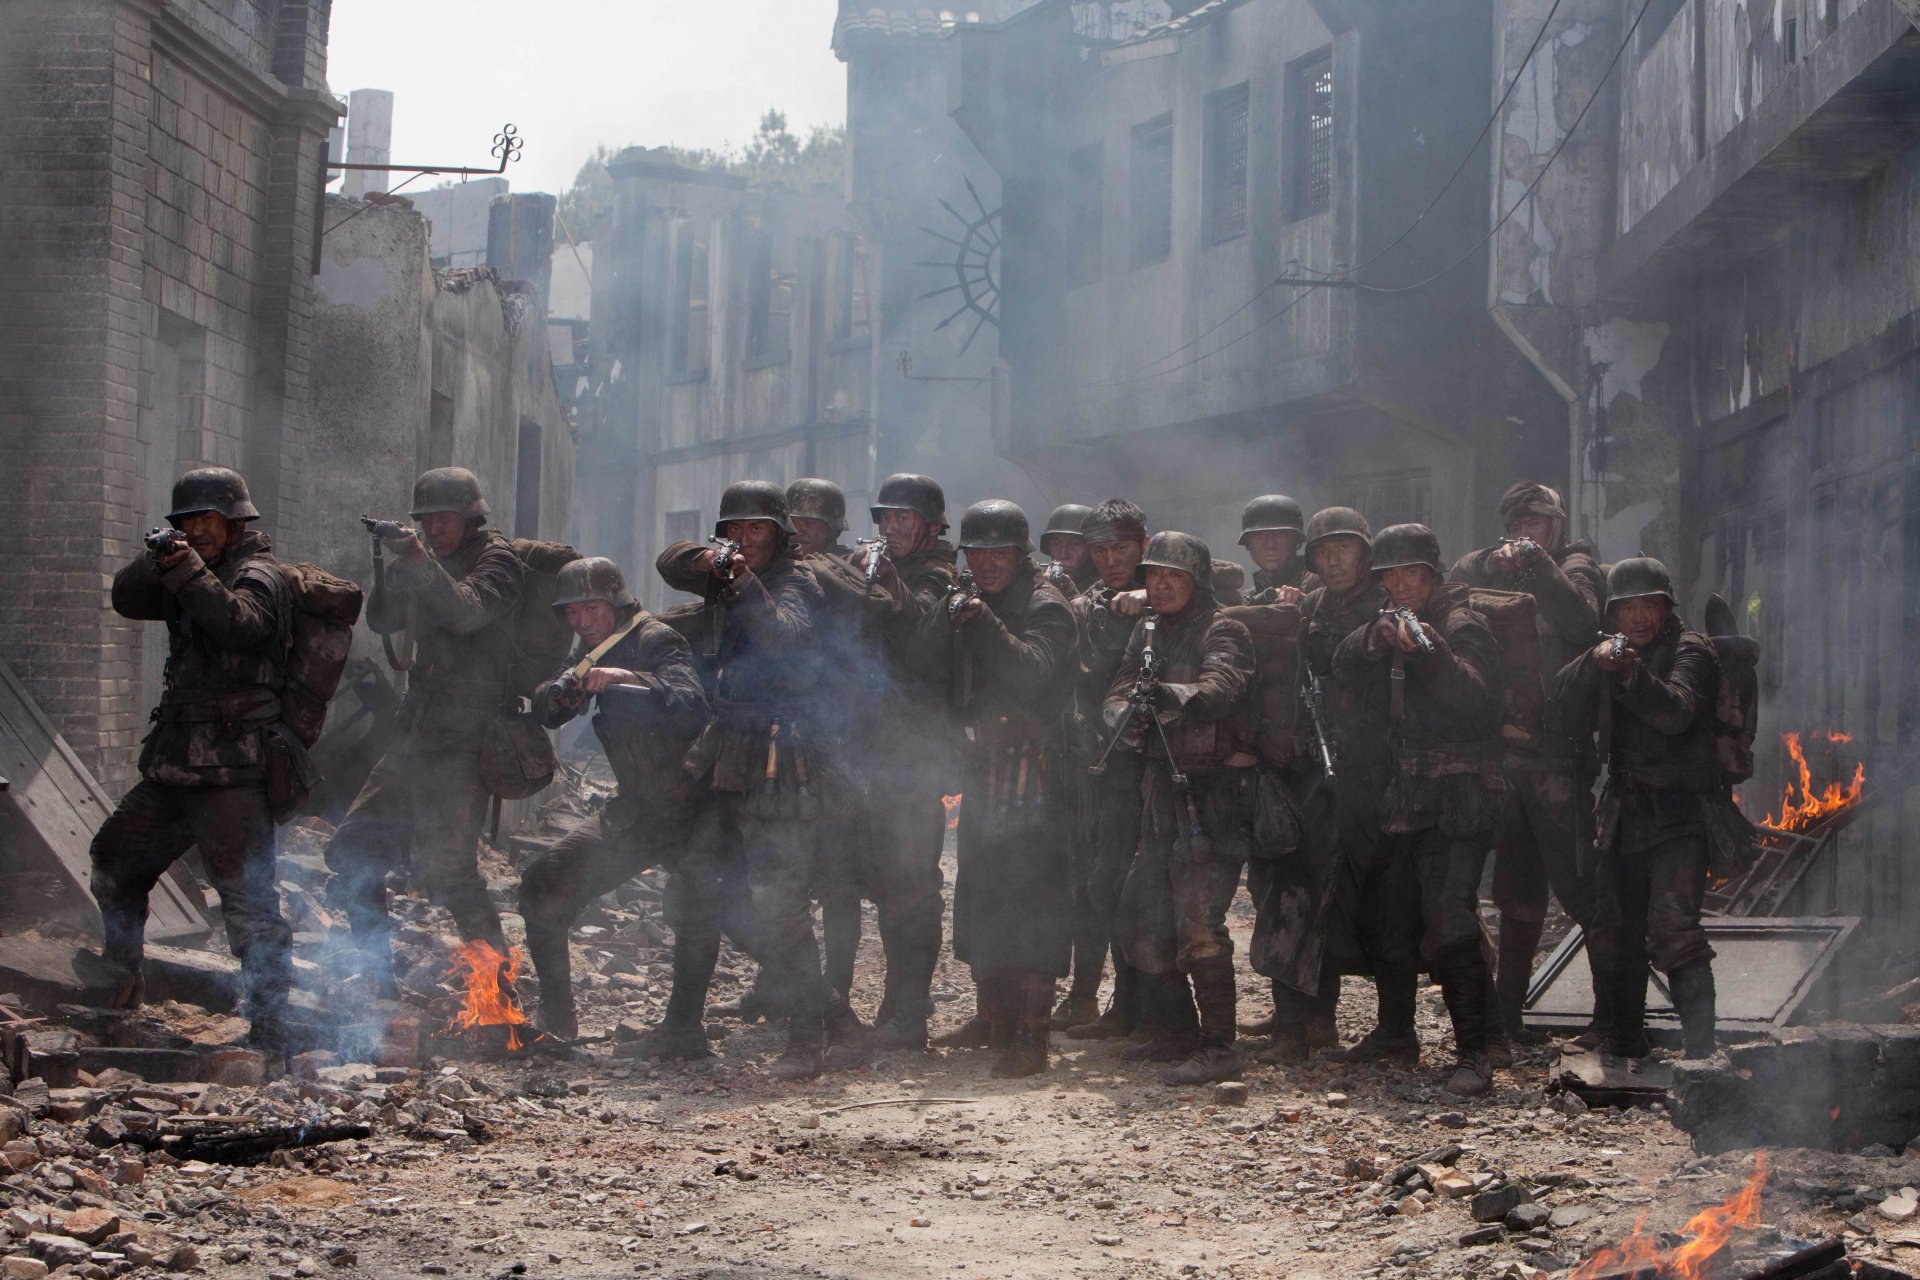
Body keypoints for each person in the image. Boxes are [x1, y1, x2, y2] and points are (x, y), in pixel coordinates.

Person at [90, 467, 299, 1063]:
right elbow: (127, 600)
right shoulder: (187, 568)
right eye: (186, 522)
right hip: (177, 764)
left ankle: (271, 1033)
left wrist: (185, 570)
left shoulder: (262, 575)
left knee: (249, 904)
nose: (195, 531)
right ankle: (120, 982)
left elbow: (242, 627)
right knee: (115, 861)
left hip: (234, 769)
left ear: (234, 521)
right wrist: (157, 556)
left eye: (205, 521)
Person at [656, 481, 838, 1080]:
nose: (744, 540)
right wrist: (712, 560)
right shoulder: (724, 567)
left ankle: (809, 1038)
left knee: (782, 902)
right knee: (695, 884)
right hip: (725, 747)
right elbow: (669, 562)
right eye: (734, 530)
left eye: (756, 530)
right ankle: (682, 1027)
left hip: (780, 755)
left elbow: (783, 635)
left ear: (779, 534)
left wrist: (742, 580)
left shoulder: (799, 581)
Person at [326, 468, 525, 993]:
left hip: (468, 734)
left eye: (444, 520)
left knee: (452, 874)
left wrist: (420, 561)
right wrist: (395, 564)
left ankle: (498, 1002)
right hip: (417, 728)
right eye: (426, 522)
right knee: (352, 850)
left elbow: (468, 614)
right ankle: (376, 981)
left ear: (470, 516)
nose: (434, 530)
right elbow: (383, 622)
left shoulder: (498, 560)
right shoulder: (427, 557)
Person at [1333, 524, 1505, 1096]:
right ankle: (1395, 1033)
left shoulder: (1463, 625)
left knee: (1450, 918)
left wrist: (1431, 652)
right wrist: (1372, 637)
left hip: (1459, 791)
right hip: (1405, 791)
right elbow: (1340, 665)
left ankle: (1476, 1053)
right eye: (1390, 575)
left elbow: (1476, 702)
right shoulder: (1387, 622)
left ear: (1433, 575)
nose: (1401, 584)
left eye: (1411, 573)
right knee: (1390, 912)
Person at [912, 500, 1076, 1078]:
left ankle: (1032, 1036)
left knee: (1032, 902)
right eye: (976, 554)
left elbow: (1033, 674)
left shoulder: (1047, 605)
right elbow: (926, 662)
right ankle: (995, 1019)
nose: (986, 565)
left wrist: (980, 619)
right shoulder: (967, 597)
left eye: (998, 554)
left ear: (1019, 555)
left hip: (1037, 773)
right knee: (983, 894)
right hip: (985, 769)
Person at [519, 559, 709, 1043]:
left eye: (590, 609)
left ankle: (828, 1020)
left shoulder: (655, 640)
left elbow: (689, 702)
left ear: (615, 603)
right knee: (544, 884)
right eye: (572, 612)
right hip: (640, 812)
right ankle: (558, 1019)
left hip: (695, 811)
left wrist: (628, 677)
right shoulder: (586, 651)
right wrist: (563, 692)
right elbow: (544, 706)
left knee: (737, 921)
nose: (580, 622)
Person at [1450, 483, 1606, 1046]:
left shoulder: (1576, 567)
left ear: (1555, 528)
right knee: (1515, 895)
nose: (1525, 531)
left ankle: (1614, 1017)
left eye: (1536, 522)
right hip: (1508, 757)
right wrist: (1490, 561)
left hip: (1558, 757)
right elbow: (1451, 582)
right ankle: (1509, 1019)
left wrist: (1540, 568)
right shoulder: (1490, 570)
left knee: (1582, 889)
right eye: (1517, 521)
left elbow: (1583, 622)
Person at [1554, 557, 1722, 1060]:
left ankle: (1702, 1055)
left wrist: (1629, 675)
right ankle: (1624, 1040)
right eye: (1628, 608)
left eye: (1649, 605)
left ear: (1665, 608)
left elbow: (1676, 712)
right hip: (1625, 813)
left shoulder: (1693, 652)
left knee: (1674, 930)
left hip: (1680, 814)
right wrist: (1594, 663)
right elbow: (1558, 702)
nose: (1640, 617)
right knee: (1614, 929)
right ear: (1614, 615)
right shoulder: (1609, 653)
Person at [1105, 534, 1256, 1084]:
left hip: (1210, 796)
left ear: (1197, 579)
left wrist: (1168, 696)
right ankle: (1177, 1033)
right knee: (1137, 916)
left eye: (1174, 575)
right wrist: (1124, 714)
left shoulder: (1225, 628)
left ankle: (1220, 1047)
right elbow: (1119, 689)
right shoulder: (1147, 630)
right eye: (1154, 575)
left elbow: (1223, 686)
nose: (1161, 585)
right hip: (1159, 795)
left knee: (1199, 924)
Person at [785, 477, 906, 1067]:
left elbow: (880, 622)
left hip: (852, 742)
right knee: (805, 885)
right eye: (795, 523)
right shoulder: (774, 575)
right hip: (797, 742)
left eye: (812, 525)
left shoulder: (842, 574)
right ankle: (816, 994)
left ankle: (867, 1003)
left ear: (832, 530)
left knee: (863, 885)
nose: (802, 534)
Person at [854, 473, 961, 1051]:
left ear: (932, 525)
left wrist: (886, 583)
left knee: (911, 885)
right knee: (883, 882)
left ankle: (909, 1016)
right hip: (878, 746)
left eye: (903, 519)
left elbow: (921, 633)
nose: (891, 529)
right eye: (885, 518)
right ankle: (892, 1011)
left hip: (917, 749)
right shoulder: (889, 568)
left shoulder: (941, 577)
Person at [1057, 500, 1154, 1037]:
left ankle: (1136, 1004)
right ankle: (1085, 998)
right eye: (1100, 550)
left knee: (1127, 886)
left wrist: (1148, 601)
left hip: (1145, 765)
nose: (1111, 559)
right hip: (1091, 760)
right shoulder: (1086, 601)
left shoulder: (1167, 591)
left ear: (1143, 543)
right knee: (1088, 883)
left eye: (1121, 547)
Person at [1238, 495, 1320, 604]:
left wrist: (1306, 601)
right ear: (1248, 543)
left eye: (1280, 533)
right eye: (1260, 534)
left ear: (1296, 540)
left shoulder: (1322, 579)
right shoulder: (1249, 596)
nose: (1270, 544)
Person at [1039, 503, 1096, 595]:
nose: (1063, 554)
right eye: (1056, 544)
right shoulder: (1038, 584)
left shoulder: (1110, 588)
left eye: (1075, 544)